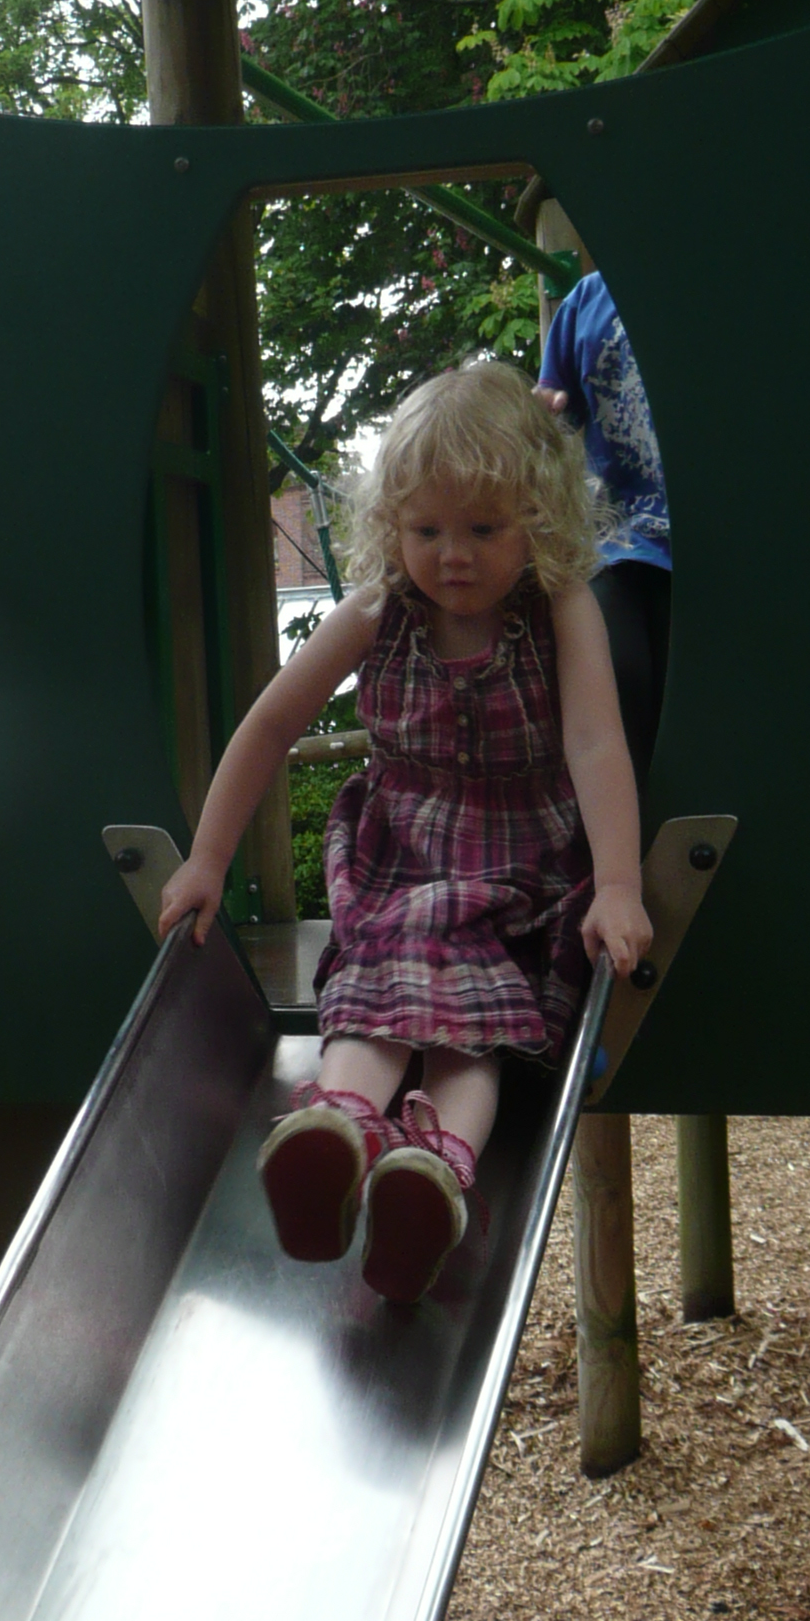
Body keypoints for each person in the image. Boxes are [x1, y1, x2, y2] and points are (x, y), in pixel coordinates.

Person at [158, 358, 652, 1304]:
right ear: (393, 526)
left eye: (483, 529)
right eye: (426, 530)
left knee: (478, 1032)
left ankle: (432, 1174)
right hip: (404, 857)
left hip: (523, 870)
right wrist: (208, 859)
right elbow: (271, 722)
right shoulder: (377, 609)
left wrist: (620, 884)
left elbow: (595, 740)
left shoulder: (559, 608)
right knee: (376, 990)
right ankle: (335, 1131)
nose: (452, 554)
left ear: (538, 520)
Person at [536, 264, 672, 784]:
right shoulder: (587, 301)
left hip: (719, 542)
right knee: (614, 673)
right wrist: (540, 418)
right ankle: (626, 825)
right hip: (620, 541)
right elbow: (552, 420)